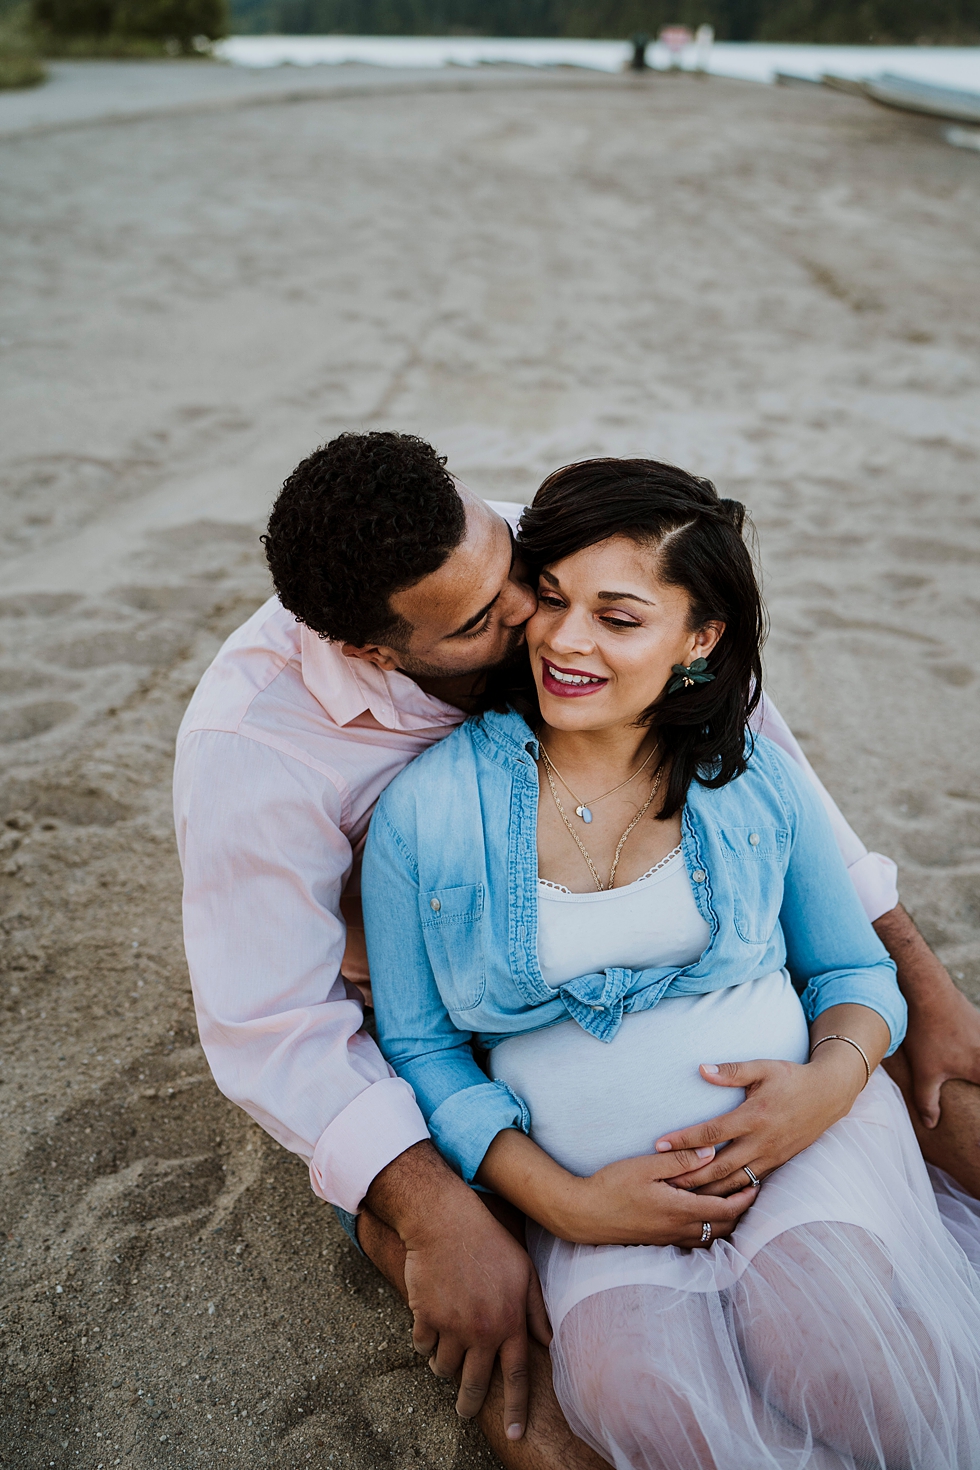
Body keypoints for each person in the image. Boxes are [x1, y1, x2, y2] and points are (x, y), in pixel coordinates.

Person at [174, 431, 980, 1469]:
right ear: (377, 651)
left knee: (940, 1106)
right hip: (464, 1041)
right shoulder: (256, 748)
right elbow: (277, 1028)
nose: (532, 624)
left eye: (516, 569)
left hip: (725, 972)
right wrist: (445, 1217)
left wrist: (919, 991)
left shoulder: (559, 571)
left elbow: (773, 789)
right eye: (484, 618)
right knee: (520, 1337)